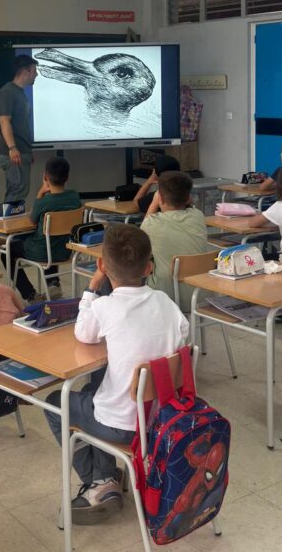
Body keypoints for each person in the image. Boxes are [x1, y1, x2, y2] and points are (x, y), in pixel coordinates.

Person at [44, 223, 188, 524]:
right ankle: (105, 476)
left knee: (56, 402)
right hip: (159, 420)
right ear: (149, 267)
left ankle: (99, 482)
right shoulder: (167, 303)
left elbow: (84, 334)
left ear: (101, 266)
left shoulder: (105, 306)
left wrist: (91, 288)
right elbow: (180, 341)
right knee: (93, 389)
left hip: (121, 425)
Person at [5, 157, 82, 302]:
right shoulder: (74, 197)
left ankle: (30, 295)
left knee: (9, 249)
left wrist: (40, 192)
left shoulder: (44, 202)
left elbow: (31, 221)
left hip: (42, 252)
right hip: (66, 250)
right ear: (67, 177)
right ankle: (53, 284)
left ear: (45, 177)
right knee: (49, 238)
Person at [140, 170, 210, 308]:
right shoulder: (198, 216)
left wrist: (154, 203)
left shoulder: (151, 223)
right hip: (199, 294)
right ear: (188, 198)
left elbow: (140, 236)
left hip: (165, 298)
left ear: (160, 198)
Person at [0, 55, 38, 207]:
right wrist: (12, 148)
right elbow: (4, 121)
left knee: (20, 190)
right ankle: (8, 222)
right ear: (25, 72)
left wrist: (27, 150)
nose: (36, 75)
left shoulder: (20, 92)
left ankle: (13, 221)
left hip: (21, 151)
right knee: (16, 191)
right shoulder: (7, 92)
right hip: (12, 153)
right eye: (34, 71)